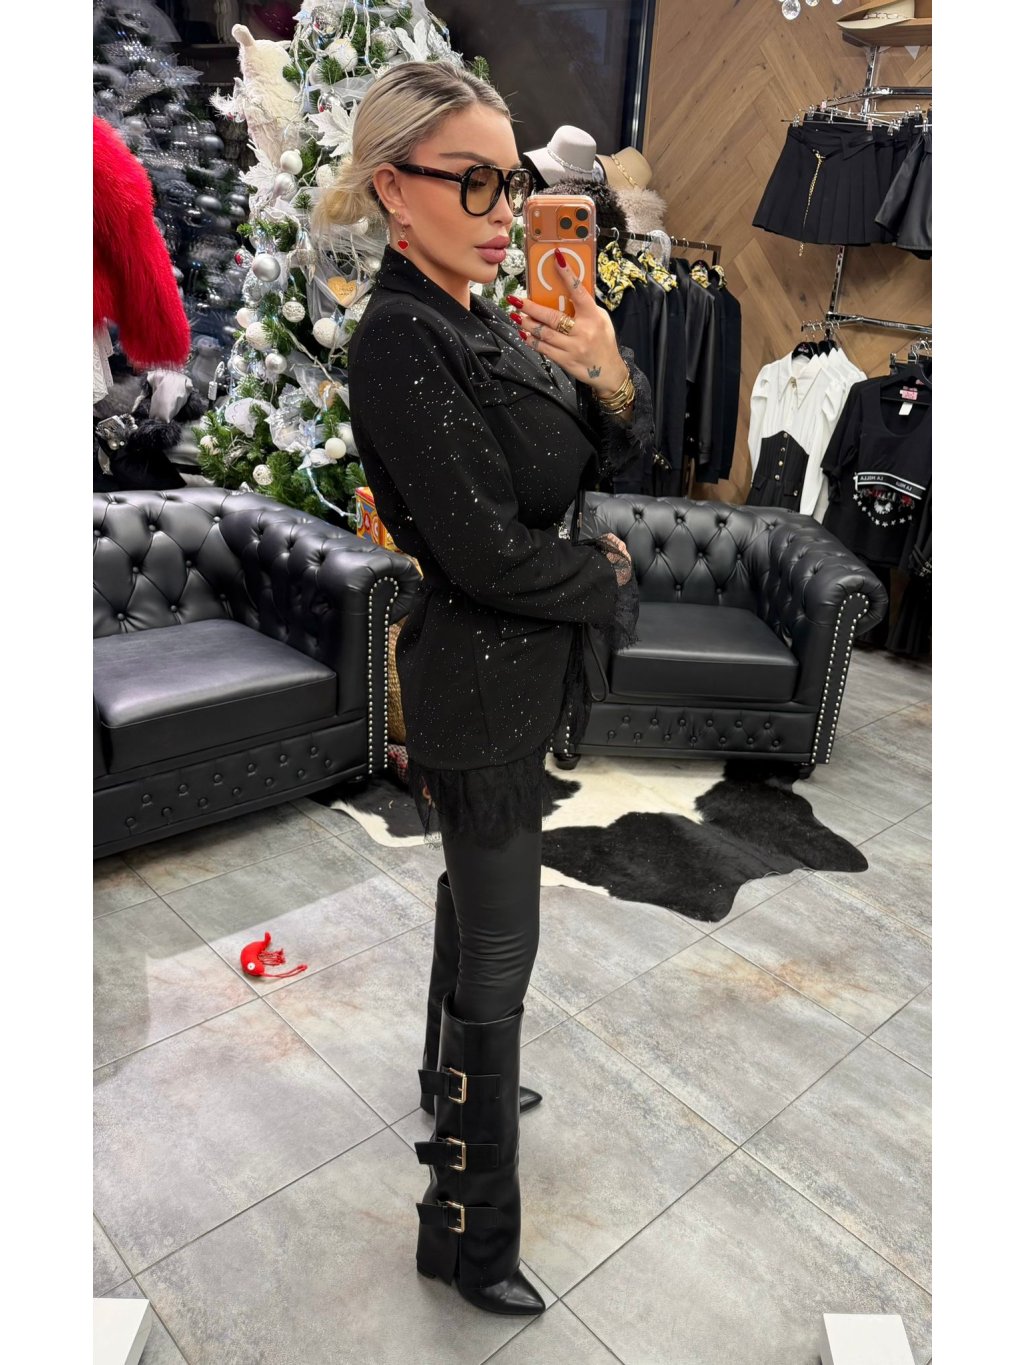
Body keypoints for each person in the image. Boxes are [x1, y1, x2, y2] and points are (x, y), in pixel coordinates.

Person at [315, 61, 654, 1317]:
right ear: (391, 189)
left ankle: (444, 1082)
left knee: (477, 910)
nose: (503, 207)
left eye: (508, 181)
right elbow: (483, 554)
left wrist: (606, 367)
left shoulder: (479, 319)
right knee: (502, 954)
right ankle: (466, 1230)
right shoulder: (403, 336)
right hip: (474, 687)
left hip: (512, 679)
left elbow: (607, 457)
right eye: (471, 180)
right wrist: (603, 578)